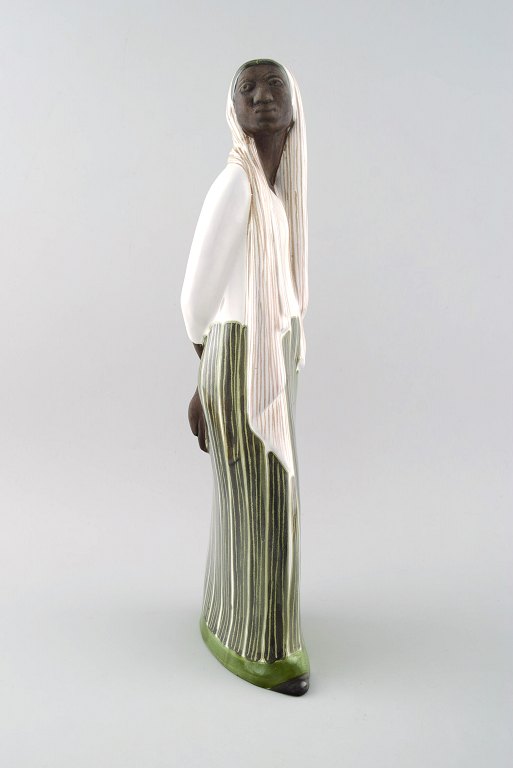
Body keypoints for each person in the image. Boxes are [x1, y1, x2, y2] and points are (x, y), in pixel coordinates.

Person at [180, 59, 309, 696]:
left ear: (294, 104)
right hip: (238, 357)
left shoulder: (275, 192)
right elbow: (195, 299)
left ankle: (239, 619)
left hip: (267, 356)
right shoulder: (236, 186)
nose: (261, 97)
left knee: (255, 500)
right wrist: (207, 375)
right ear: (232, 109)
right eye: (246, 88)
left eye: (273, 85)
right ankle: (265, 644)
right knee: (266, 501)